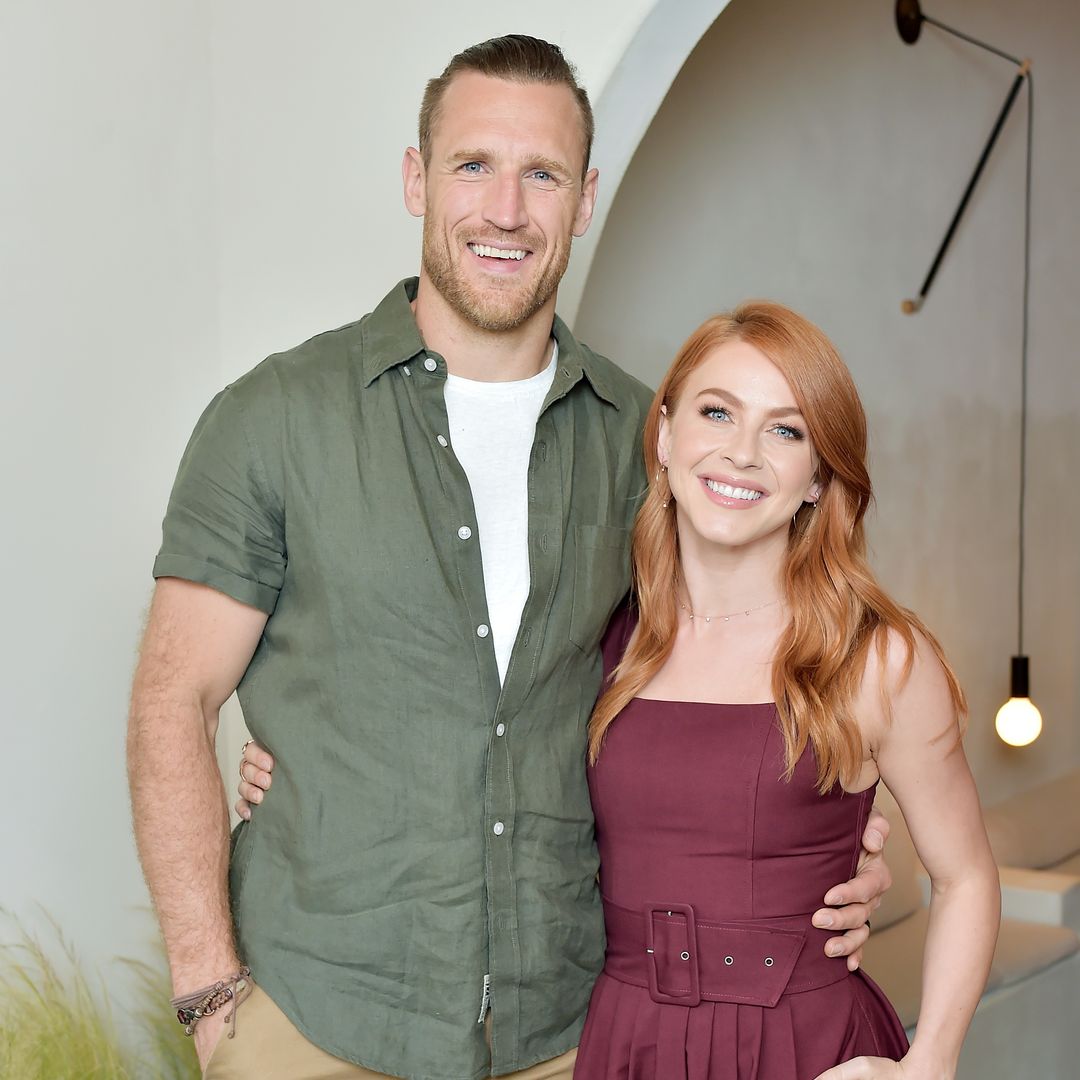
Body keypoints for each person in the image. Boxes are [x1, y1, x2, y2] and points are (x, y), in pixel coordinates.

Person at [129, 36, 890, 1080]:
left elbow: (762, 646)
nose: (504, 209)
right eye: (473, 165)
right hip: (316, 1018)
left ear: (582, 201)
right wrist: (213, 992)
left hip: (570, 1028)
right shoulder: (274, 420)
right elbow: (171, 702)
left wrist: (846, 830)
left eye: (541, 175)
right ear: (416, 180)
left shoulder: (652, 441)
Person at [242, 302, 1000, 1080]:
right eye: (717, 413)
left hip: (801, 1045)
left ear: (817, 477)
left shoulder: (878, 659)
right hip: (624, 1041)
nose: (742, 454)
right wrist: (294, 761)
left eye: (785, 430)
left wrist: (929, 1064)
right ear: (665, 436)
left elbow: (966, 874)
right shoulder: (607, 640)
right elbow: (475, 739)